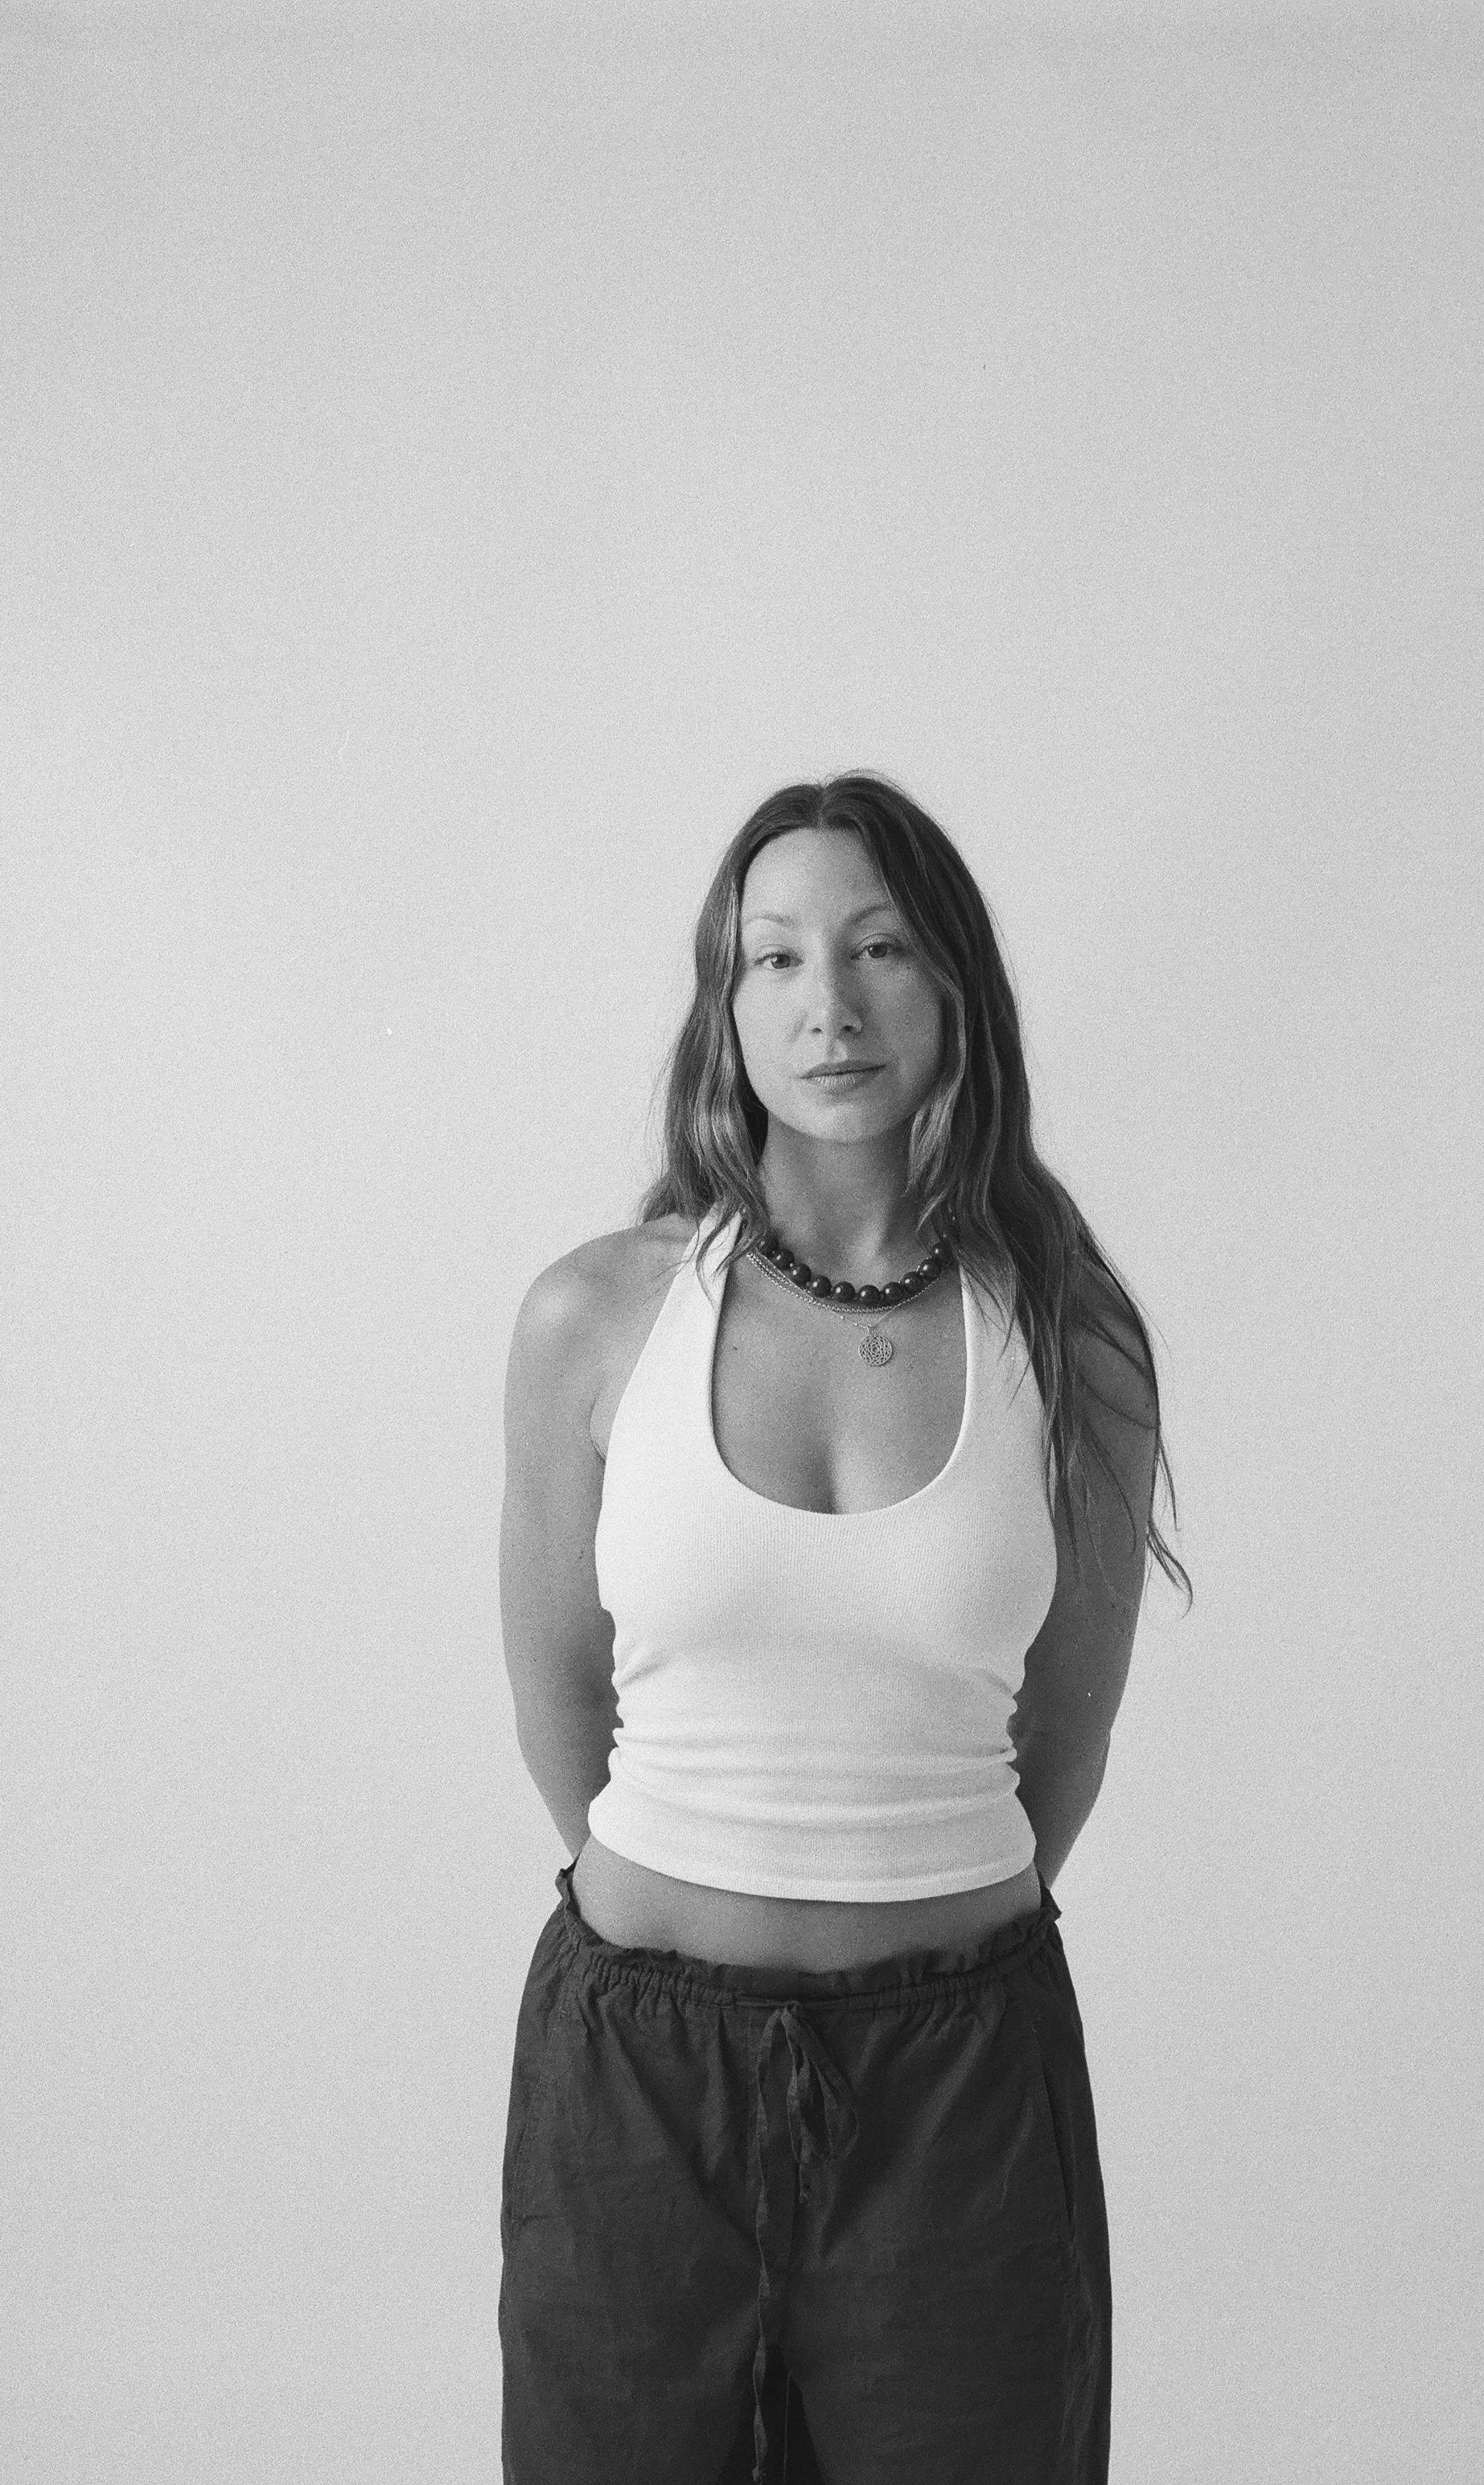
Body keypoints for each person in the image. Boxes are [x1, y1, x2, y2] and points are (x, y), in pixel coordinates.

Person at [497, 773, 1188, 2485]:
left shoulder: (1068, 1340)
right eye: (777, 955)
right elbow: (559, 1700)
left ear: (954, 982)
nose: (832, 1004)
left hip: (958, 2078)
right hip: (638, 2075)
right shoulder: (596, 1317)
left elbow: (1066, 1731)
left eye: (881, 947)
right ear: (722, 1006)